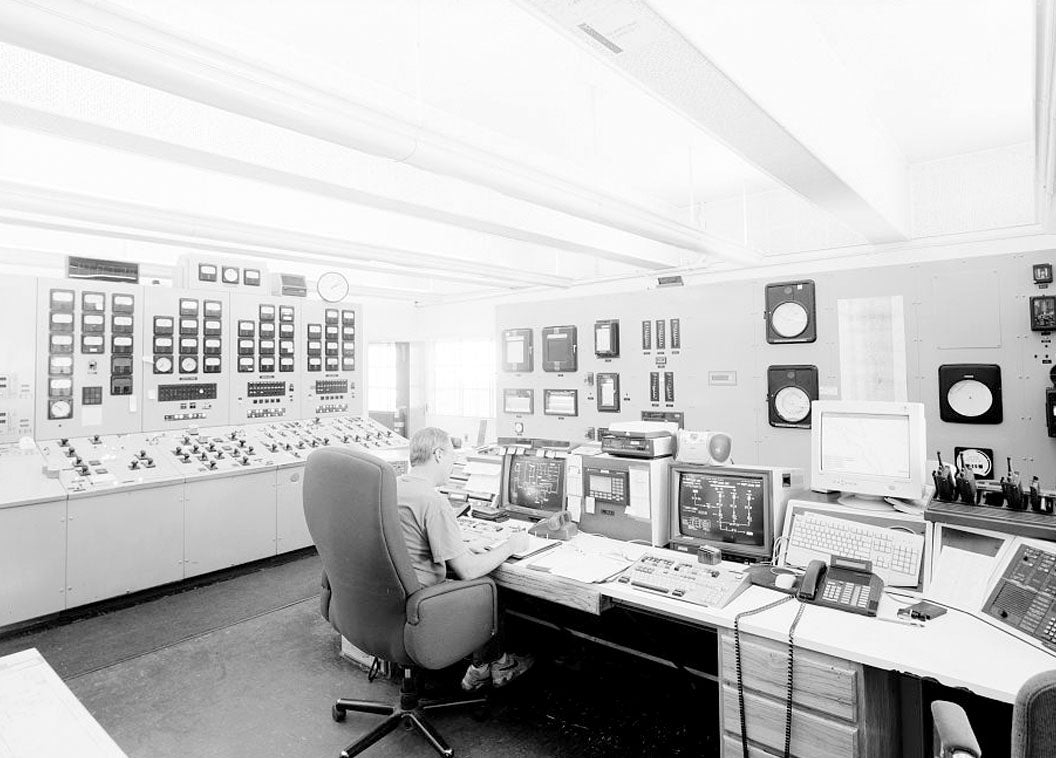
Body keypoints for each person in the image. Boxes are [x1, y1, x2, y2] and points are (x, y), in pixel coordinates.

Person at [397, 426, 534, 691]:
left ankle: (488, 666)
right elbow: (468, 570)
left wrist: (462, 542)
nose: (454, 462)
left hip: (395, 597)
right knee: (487, 587)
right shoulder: (433, 501)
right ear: (437, 454)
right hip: (425, 599)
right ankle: (489, 666)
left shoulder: (394, 487)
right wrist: (510, 545)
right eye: (451, 456)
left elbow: (413, 539)